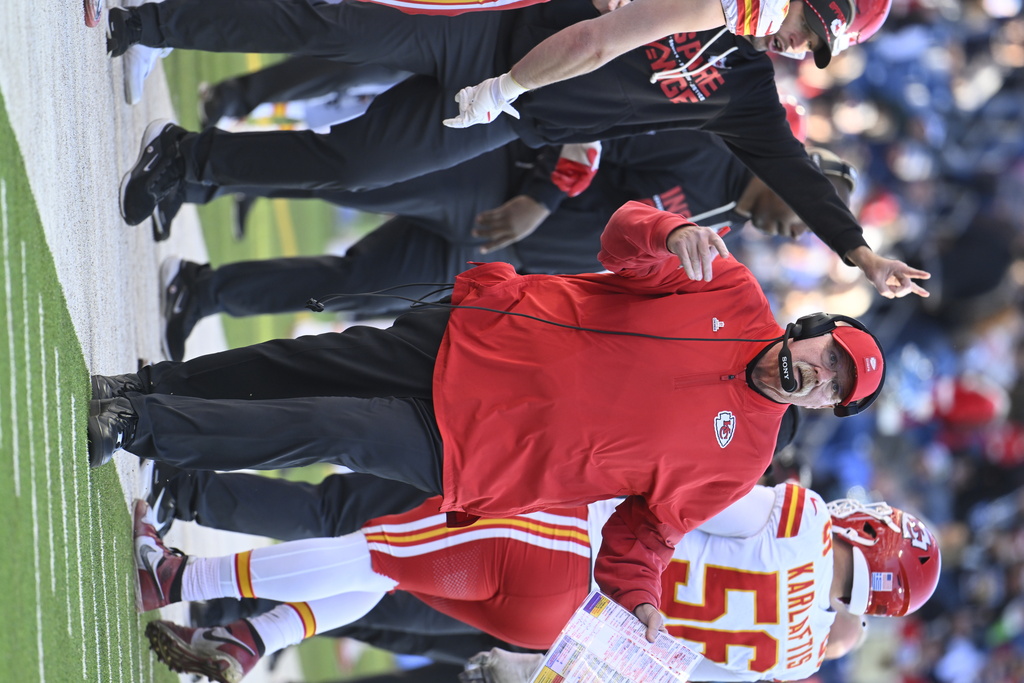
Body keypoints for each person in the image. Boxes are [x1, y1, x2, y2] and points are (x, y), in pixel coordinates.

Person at [88, 200, 887, 639]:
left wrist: (641, 599)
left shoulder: (739, 462)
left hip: (475, 451)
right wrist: (666, 231)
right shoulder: (731, 288)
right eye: (829, 356)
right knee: (294, 368)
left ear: (825, 408)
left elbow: (641, 540)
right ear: (813, 330)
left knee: (324, 426)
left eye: (832, 389)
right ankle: (148, 385)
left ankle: (137, 425)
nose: (818, 375)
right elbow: (620, 236)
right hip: (473, 333)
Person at [105, 0, 929, 299]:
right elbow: (606, 32)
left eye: (815, 39)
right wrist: (507, 91)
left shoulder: (748, 93)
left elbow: (791, 168)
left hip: (514, 118)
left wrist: (858, 252)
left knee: (354, 166)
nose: (797, 39)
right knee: (336, 29)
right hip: (497, 31)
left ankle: (187, 160)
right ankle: (155, 18)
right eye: (810, 23)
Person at [157, 132, 857, 361]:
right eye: (811, 217)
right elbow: (595, 125)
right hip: (497, 184)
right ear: (796, 172)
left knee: (353, 285)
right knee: (345, 175)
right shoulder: (707, 145)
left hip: (501, 257)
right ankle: (194, 163)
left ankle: (202, 289)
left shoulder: (725, 223)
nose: (800, 233)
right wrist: (536, 200)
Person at [135, 483, 940, 682]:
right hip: (559, 627)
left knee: (375, 552)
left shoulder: (799, 519)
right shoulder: (796, 660)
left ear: (871, 532)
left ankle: (178, 572)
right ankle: (253, 636)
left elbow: (680, 488)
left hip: (567, 542)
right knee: (392, 575)